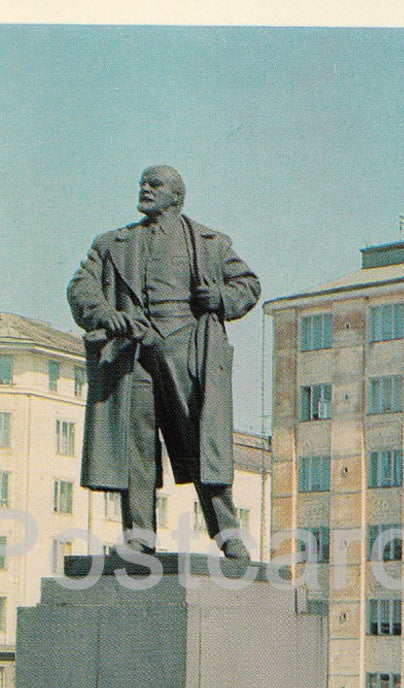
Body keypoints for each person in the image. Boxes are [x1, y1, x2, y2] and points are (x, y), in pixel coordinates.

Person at [67, 165, 261, 560]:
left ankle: (227, 534)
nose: (145, 189)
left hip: (187, 349)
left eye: (155, 184)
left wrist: (221, 299)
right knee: (134, 444)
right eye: (142, 183)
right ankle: (139, 535)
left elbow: (248, 285)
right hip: (133, 353)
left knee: (204, 443)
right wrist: (105, 312)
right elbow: (80, 287)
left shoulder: (210, 243)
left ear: (177, 196)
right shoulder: (111, 244)